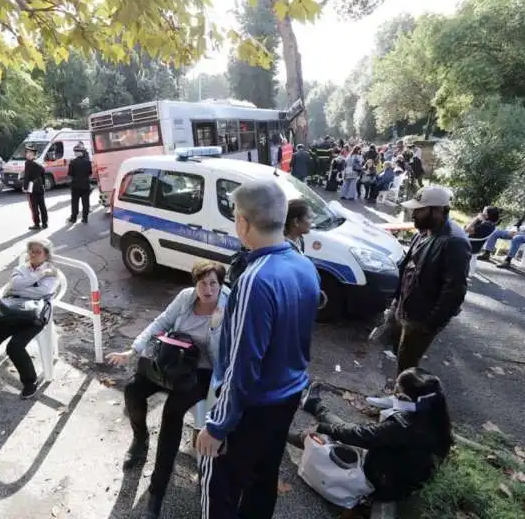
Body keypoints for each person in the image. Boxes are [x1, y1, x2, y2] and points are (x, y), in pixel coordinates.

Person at [196, 181, 320, 519]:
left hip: (253, 406)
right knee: (262, 478)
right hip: (287, 396)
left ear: (243, 222)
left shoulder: (255, 279)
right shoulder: (304, 264)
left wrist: (217, 425)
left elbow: (242, 364)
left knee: (217, 484)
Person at [107, 261, 229, 519]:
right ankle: (140, 439)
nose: (207, 289)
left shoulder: (226, 307)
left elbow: (221, 360)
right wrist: (134, 349)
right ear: (195, 283)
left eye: (213, 284)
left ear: (221, 284)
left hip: (201, 371)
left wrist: (216, 327)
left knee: (172, 413)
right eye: (202, 283)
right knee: (132, 390)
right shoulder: (186, 297)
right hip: (172, 359)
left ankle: (157, 492)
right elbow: (162, 321)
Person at [367, 187, 470, 407]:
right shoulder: (424, 231)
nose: (413, 215)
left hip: (421, 318)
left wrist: (430, 323)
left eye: (419, 211)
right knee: (398, 351)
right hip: (405, 307)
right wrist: (395, 301)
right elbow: (408, 269)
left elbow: (455, 291)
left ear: (437, 211)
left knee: (408, 361)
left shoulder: (454, 242)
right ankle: (398, 394)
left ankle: (402, 404)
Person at [289, 368, 453, 503]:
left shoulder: (404, 427)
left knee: (318, 441)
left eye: (397, 392)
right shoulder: (435, 418)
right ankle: (314, 405)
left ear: (407, 398)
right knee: (344, 429)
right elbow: (366, 434)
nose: (393, 395)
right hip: (391, 468)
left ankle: (278, 433)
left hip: (380, 480)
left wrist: (320, 428)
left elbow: (360, 436)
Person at [0, 239, 59, 401]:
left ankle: (30, 382)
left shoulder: (52, 272)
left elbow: (44, 291)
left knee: (14, 347)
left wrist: (23, 288)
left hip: (34, 315)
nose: (33, 254)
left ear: (46, 255)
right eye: (31, 251)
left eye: (38, 252)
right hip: (11, 311)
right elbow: (16, 284)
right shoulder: (21, 268)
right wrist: (38, 276)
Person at [477, 196, 525, 269]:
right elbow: (519, 222)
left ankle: (508, 261)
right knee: (495, 232)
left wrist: (521, 233)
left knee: (517, 238)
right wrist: (514, 228)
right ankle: (486, 254)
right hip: (517, 231)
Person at [23, 145, 48, 230]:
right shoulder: (39, 164)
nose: (26, 154)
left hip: (32, 188)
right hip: (40, 187)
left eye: (27, 153)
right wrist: (43, 185)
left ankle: (37, 224)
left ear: (31, 154)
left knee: (34, 207)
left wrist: (25, 187)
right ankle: (45, 223)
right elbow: (43, 176)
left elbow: (26, 177)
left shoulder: (28, 163)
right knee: (42, 206)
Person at [67, 142, 93, 224]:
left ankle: (73, 218)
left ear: (76, 153)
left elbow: (70, 174)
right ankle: (85, 219)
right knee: (85, 203)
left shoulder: (72, 162)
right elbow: (90, 173)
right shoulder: (88, 162)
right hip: (85, 185)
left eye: (75, 152)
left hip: (75, 186)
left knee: (75, 203)